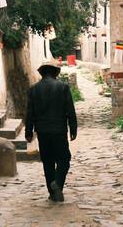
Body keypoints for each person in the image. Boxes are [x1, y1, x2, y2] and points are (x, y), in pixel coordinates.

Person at [25, 61, 77, 202]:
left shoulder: (34, 89)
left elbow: (30, 113)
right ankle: (58, 183)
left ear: (42, 73)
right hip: (59, 130)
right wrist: (73, 128)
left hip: (42, 131)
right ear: (56, 73)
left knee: (47, 161)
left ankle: (52, 193)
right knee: (64, 159)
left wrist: (28, 132)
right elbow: (70, 109)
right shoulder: (63, 87)